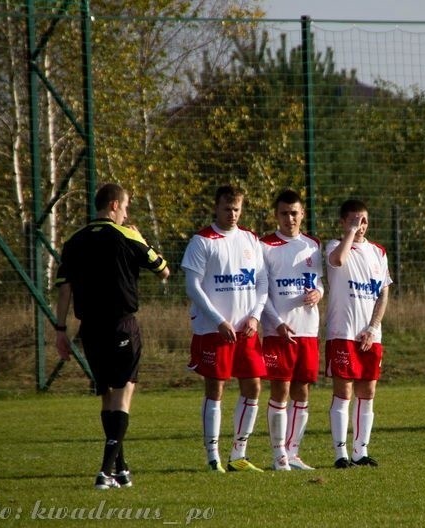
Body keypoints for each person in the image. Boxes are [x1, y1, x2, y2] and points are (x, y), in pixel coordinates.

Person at [55, 182, 170, 490]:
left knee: (107, 395)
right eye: (127, 206)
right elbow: (162, 269)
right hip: (121, 325)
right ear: (115, 205)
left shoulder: (74, 241)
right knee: (123, 394)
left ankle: (121, 469)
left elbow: (64, 288)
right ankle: (105, 472)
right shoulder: (127, 236)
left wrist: (60, 330)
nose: (127, 212)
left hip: (89, 329)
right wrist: (143, 239)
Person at [182, 185, 269, 473]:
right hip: (214, 330)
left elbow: (262, 283)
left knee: (253, 386)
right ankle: (213, 456)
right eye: (227, 209)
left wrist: (255, 317)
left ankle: (239, 455)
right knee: (215, 389)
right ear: (216, 208)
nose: (232, 214)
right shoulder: (202, 241)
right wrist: (218, 320)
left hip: (246, 331)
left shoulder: (250, 239)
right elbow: (193, 286)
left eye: (237, 209)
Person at [325, 199, 393, 468]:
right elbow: (338, 260)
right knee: (344, 392)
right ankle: (340, 454)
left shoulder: (378, 252)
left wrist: (373, 327)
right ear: (343, 222)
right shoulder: (334, 246)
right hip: (342, 332)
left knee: (368, 391)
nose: (360, 225)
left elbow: (383, 292)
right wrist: (350, 233)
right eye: (354, 220)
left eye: (363, 220)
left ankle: (360, 451)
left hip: (369, 335)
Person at [260, 189, 324, 471]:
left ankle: (294, 452)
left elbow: (319, 282)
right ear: (277, 215)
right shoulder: (265, 246)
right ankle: (278, 456)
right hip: (278, 331)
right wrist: (276, 323)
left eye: (294, 213)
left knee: (302, 390)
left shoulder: (313, 245)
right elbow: (260, 293)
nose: (290, 218)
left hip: (307, 329)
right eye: (284, 213)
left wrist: (319, 294)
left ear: (302, 214)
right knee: (280, 390)